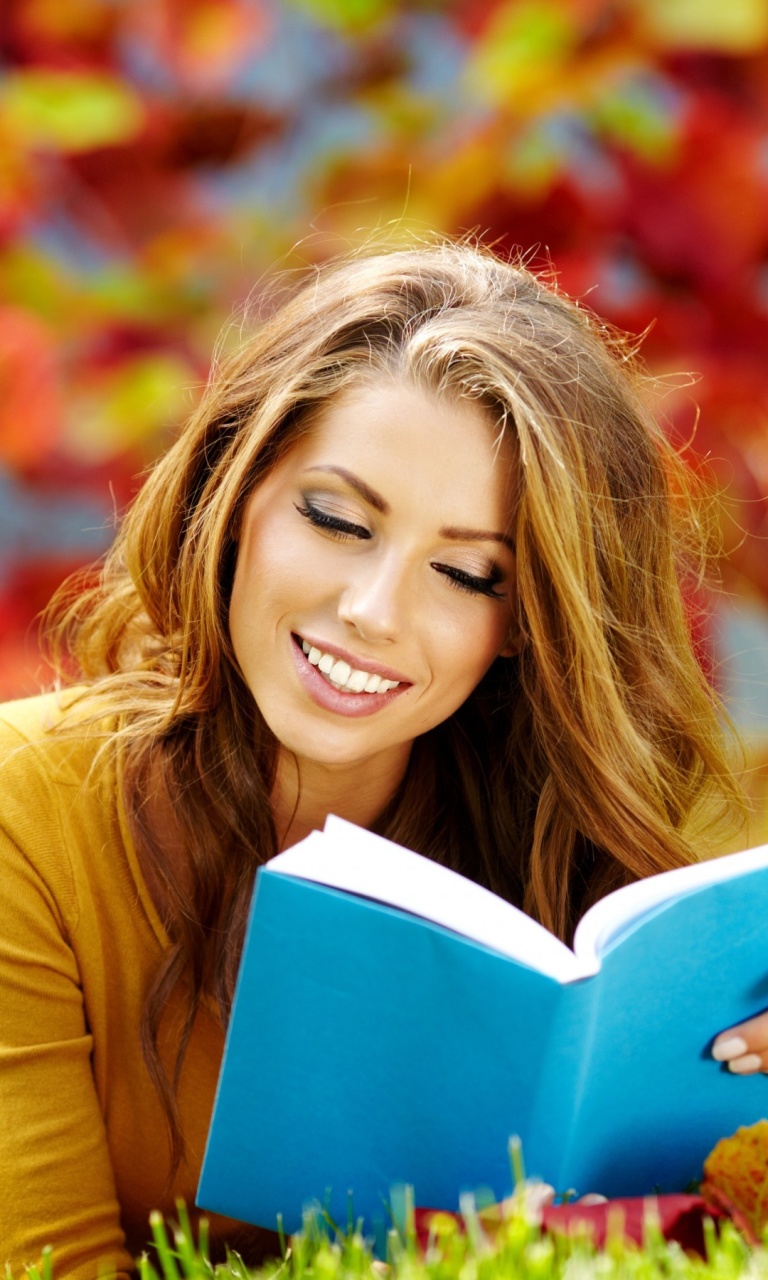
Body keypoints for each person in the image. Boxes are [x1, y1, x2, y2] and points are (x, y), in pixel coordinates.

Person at [0, 240, 757, 1277]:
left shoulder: (581, 857)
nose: (373, 612)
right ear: (236, 487)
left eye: (465, 572)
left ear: (530, 620)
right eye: (336, 519)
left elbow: (692, 1241)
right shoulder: (27, 817)